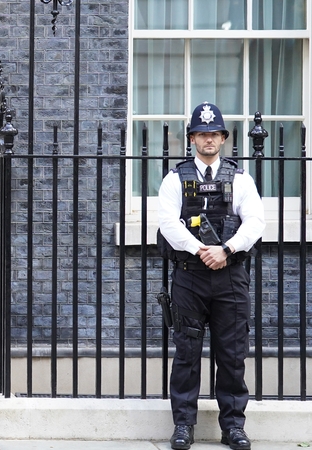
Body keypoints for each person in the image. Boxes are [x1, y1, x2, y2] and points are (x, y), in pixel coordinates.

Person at [158, 102, 265, 450]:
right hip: (190, 275)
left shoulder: (241, 179)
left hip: (230, 277)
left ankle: (233, 427)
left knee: (232, 355)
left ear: (223, 138)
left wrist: (227, 250)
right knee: (187, 352)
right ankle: (183, 426)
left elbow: (256, 222)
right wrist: (200, 250)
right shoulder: (175, 179)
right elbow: (168, 223)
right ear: (192, 138)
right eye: (202, 133)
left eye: (214, 133)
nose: (208, 139)